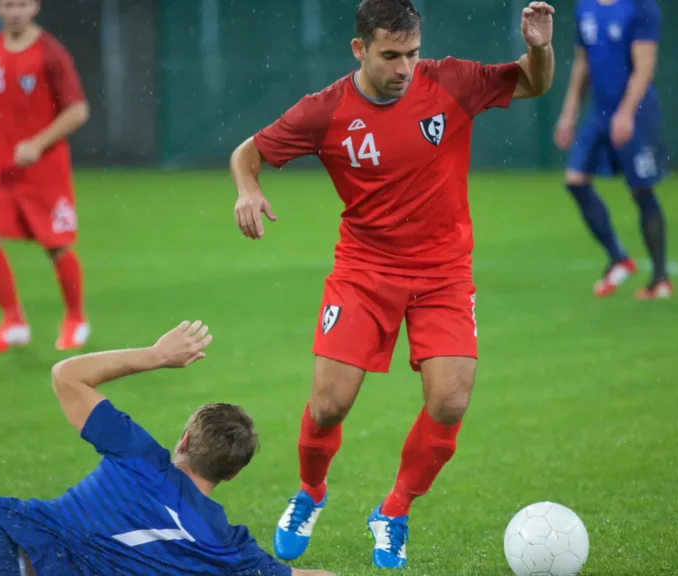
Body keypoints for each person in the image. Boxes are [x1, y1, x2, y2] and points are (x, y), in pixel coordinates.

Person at [229, 0, 555, 569]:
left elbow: (534, 82)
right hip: (364, 271)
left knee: (450, 402)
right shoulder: (325, 110)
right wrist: (248, 188)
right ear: (359, 49)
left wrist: (540, 47)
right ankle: (310, 492)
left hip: (444, 274)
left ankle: (394, 510)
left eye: (412, 53)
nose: (405, 67)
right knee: (329, 405)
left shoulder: (450, 81)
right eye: (390, 56)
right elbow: (247, 153)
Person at [0, 321, 335, 576]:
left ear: (183, 441)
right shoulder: (225, 546)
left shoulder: (138, 455)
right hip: (15, 567)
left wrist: (155, 356)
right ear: (232, 474)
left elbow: (67, 376)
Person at [0, 0, 92, 353]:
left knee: (56, 245)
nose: (15, 11)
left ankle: (76, 319)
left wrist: (37, 143)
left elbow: (78, 111)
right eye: (8, 4)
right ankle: (13, 321)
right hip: (0, 163)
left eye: (22, 4)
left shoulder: (50, 53)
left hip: (43, 166)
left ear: (35, 7)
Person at [553, 0, 672, 299]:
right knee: (575, 180)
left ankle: (660, 279)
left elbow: (644, 67)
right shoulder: (585, 7)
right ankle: (619, 258)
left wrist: (627, 112)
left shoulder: (641, 7)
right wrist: (569, 114)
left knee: (640, 190)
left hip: (636, 112)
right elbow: (582, 64)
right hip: (600, 114)